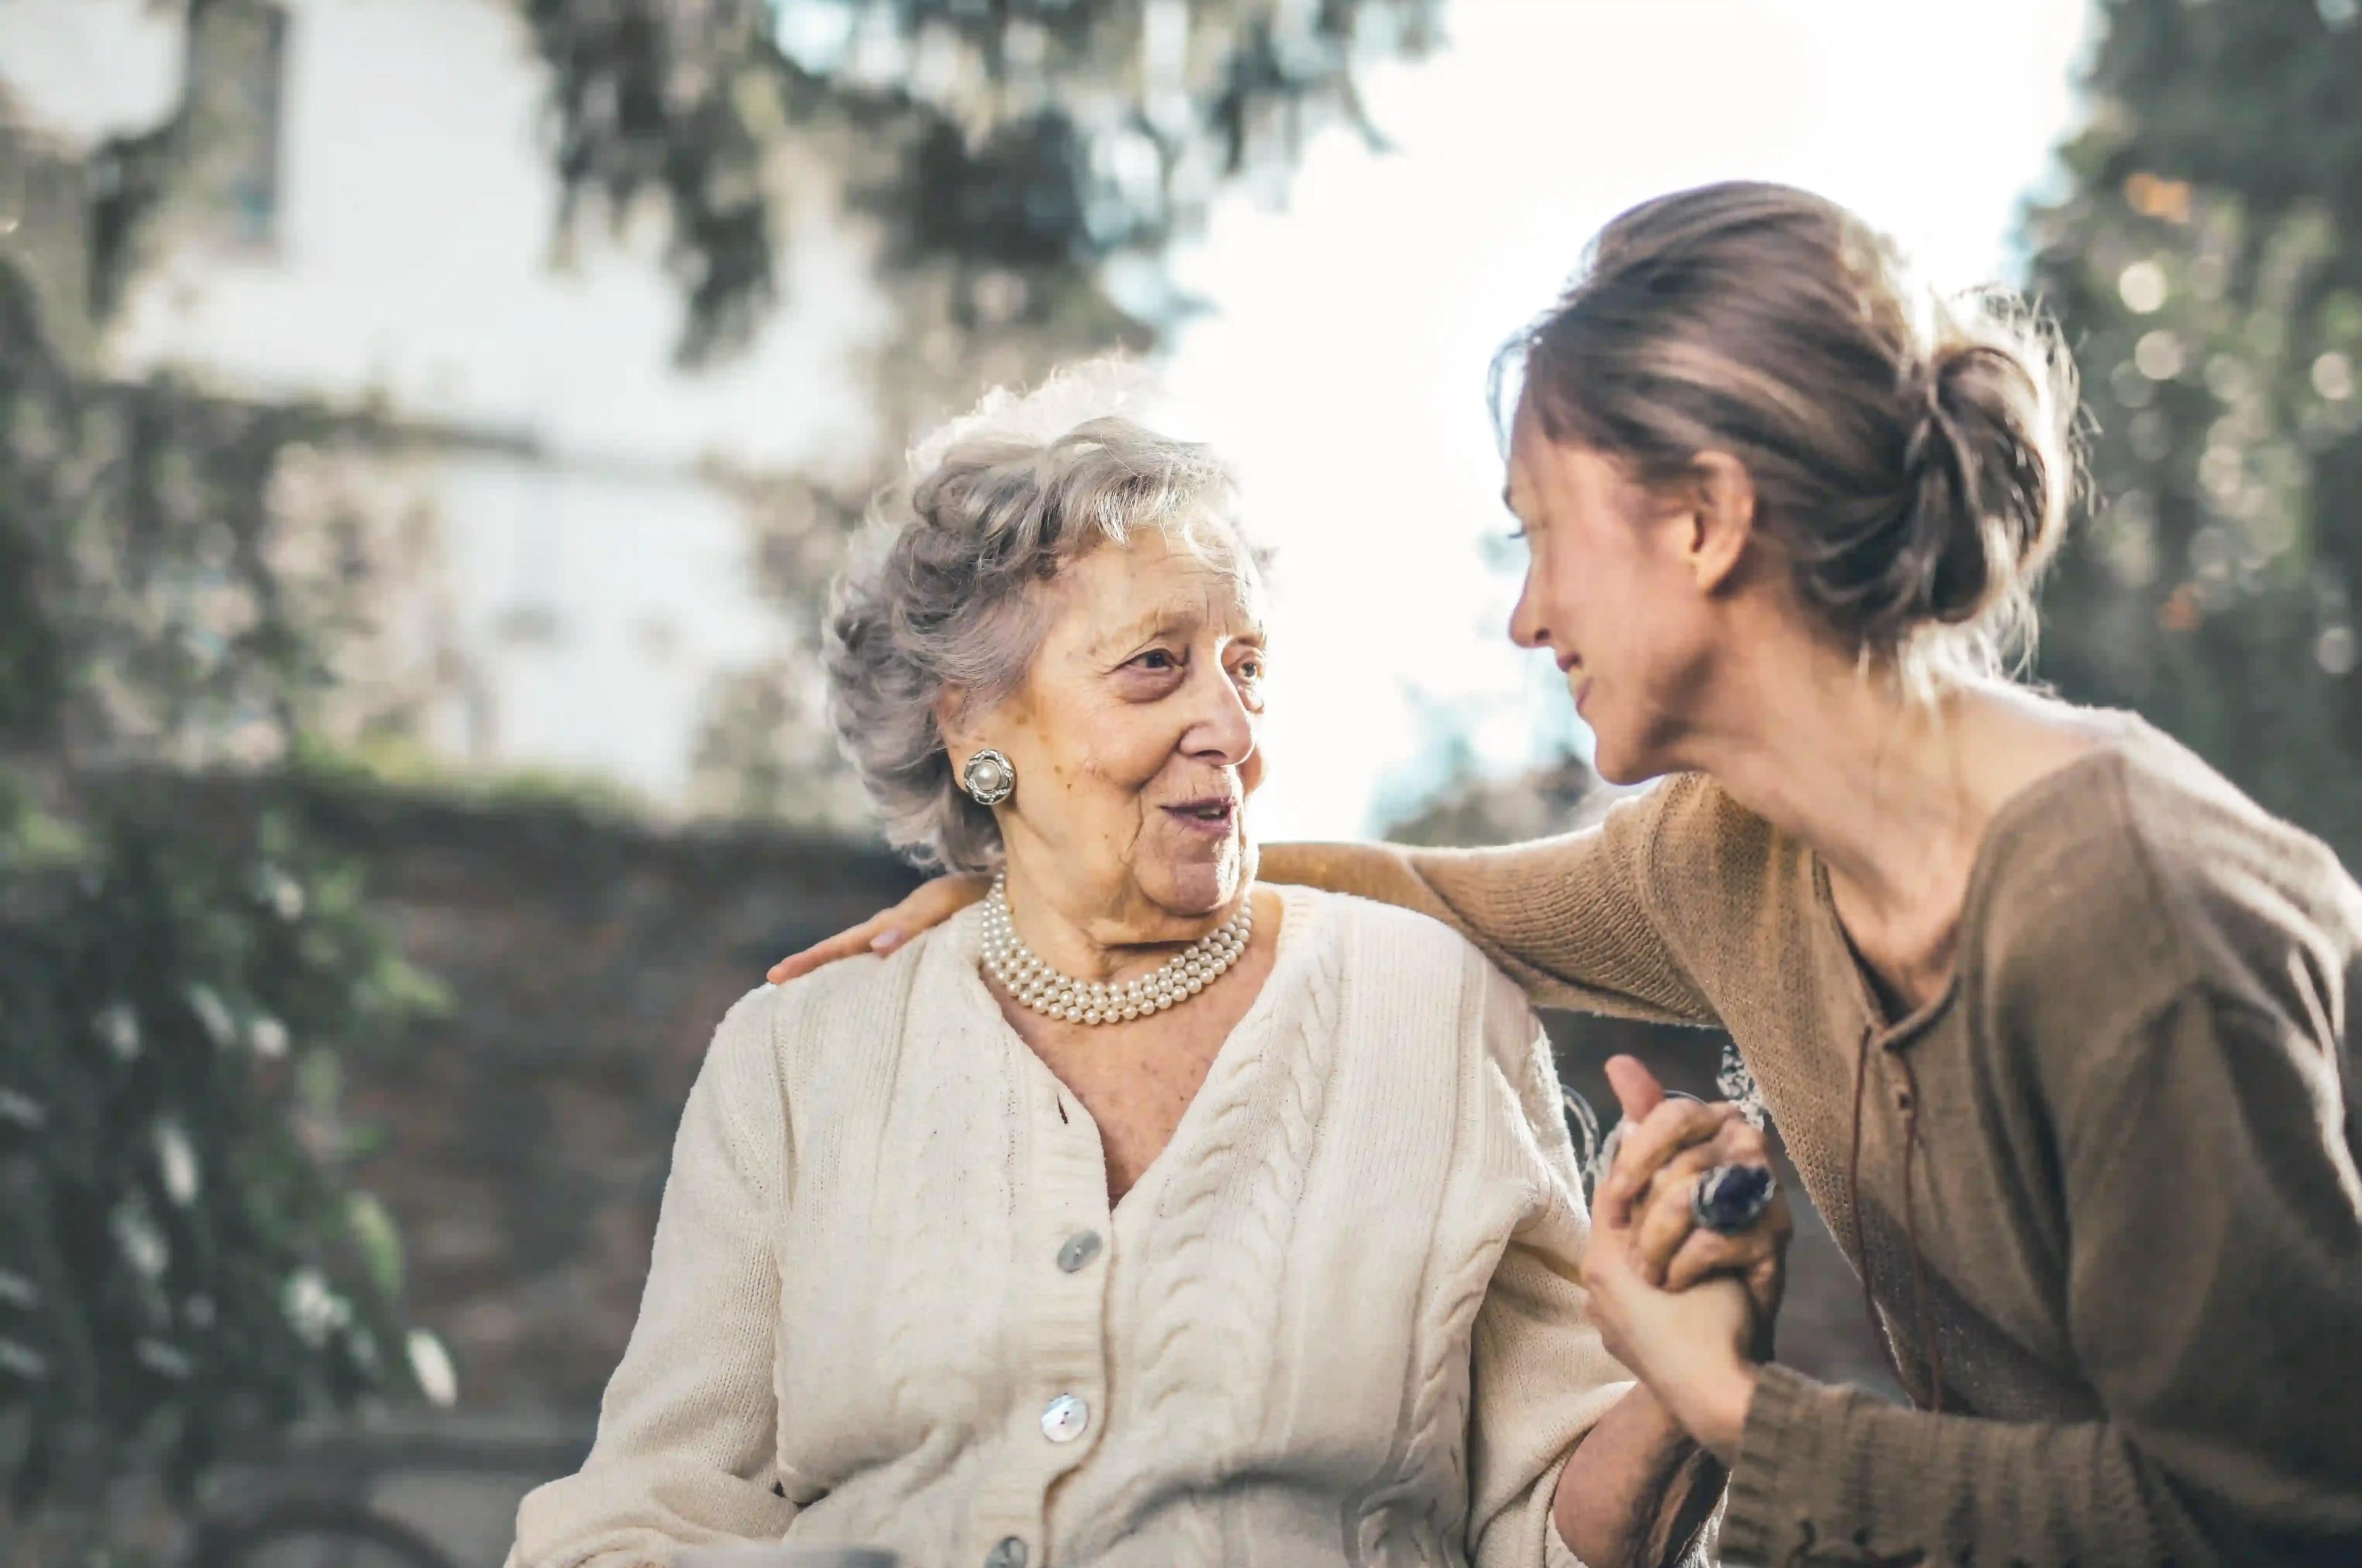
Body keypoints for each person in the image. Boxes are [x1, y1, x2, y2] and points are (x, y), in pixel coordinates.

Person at [770, 185, 2362, 1566]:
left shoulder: (2127, 915)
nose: (1528, 619)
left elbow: (2270, 1518)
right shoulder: (1737, 859)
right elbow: (1430, 898)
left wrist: (1731, 1404)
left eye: (1542, 535)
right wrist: (1049, 889)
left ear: (1706, 522)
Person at [511, 375, 1784, 1568]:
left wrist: (1689, 1384)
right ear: (972, 723)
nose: (1231, 729)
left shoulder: (1429, 1009)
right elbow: (642, 1515)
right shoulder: (801, 1053)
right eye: (1156, 665)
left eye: (1248, 669)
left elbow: (1550, 1530)